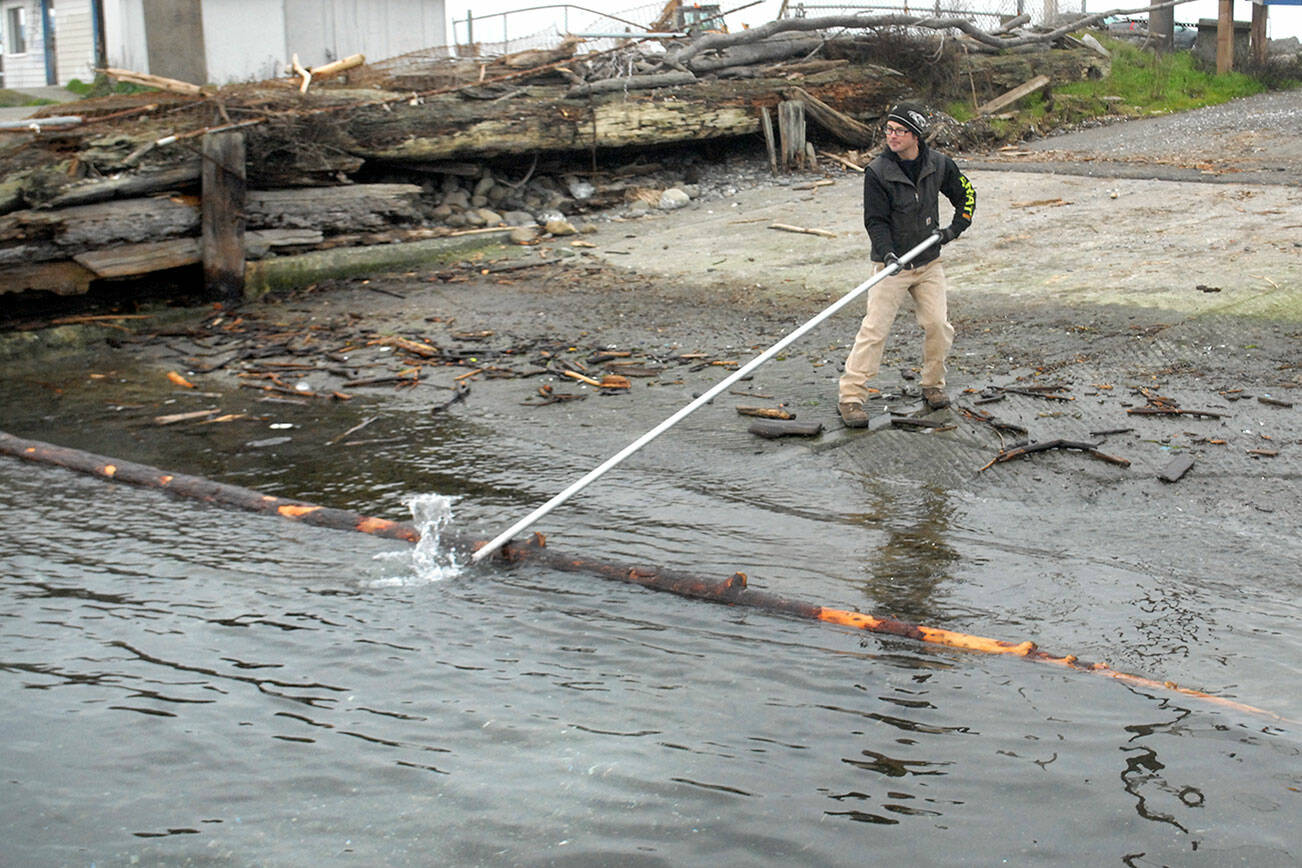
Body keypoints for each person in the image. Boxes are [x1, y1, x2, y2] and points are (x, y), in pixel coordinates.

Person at [838, 102, 975, 428]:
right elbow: (875, 220)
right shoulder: (878, 172)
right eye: (889, 130)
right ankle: (851, 397)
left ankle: (932, 385)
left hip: (928, 263)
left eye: (899, 131)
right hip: (893, 265)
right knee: (874, 330)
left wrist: (954, 229)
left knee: (938, 325)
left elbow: (967, 196)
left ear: (915, 135)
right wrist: (887, 254)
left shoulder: (939, 164)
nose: (892, 136)